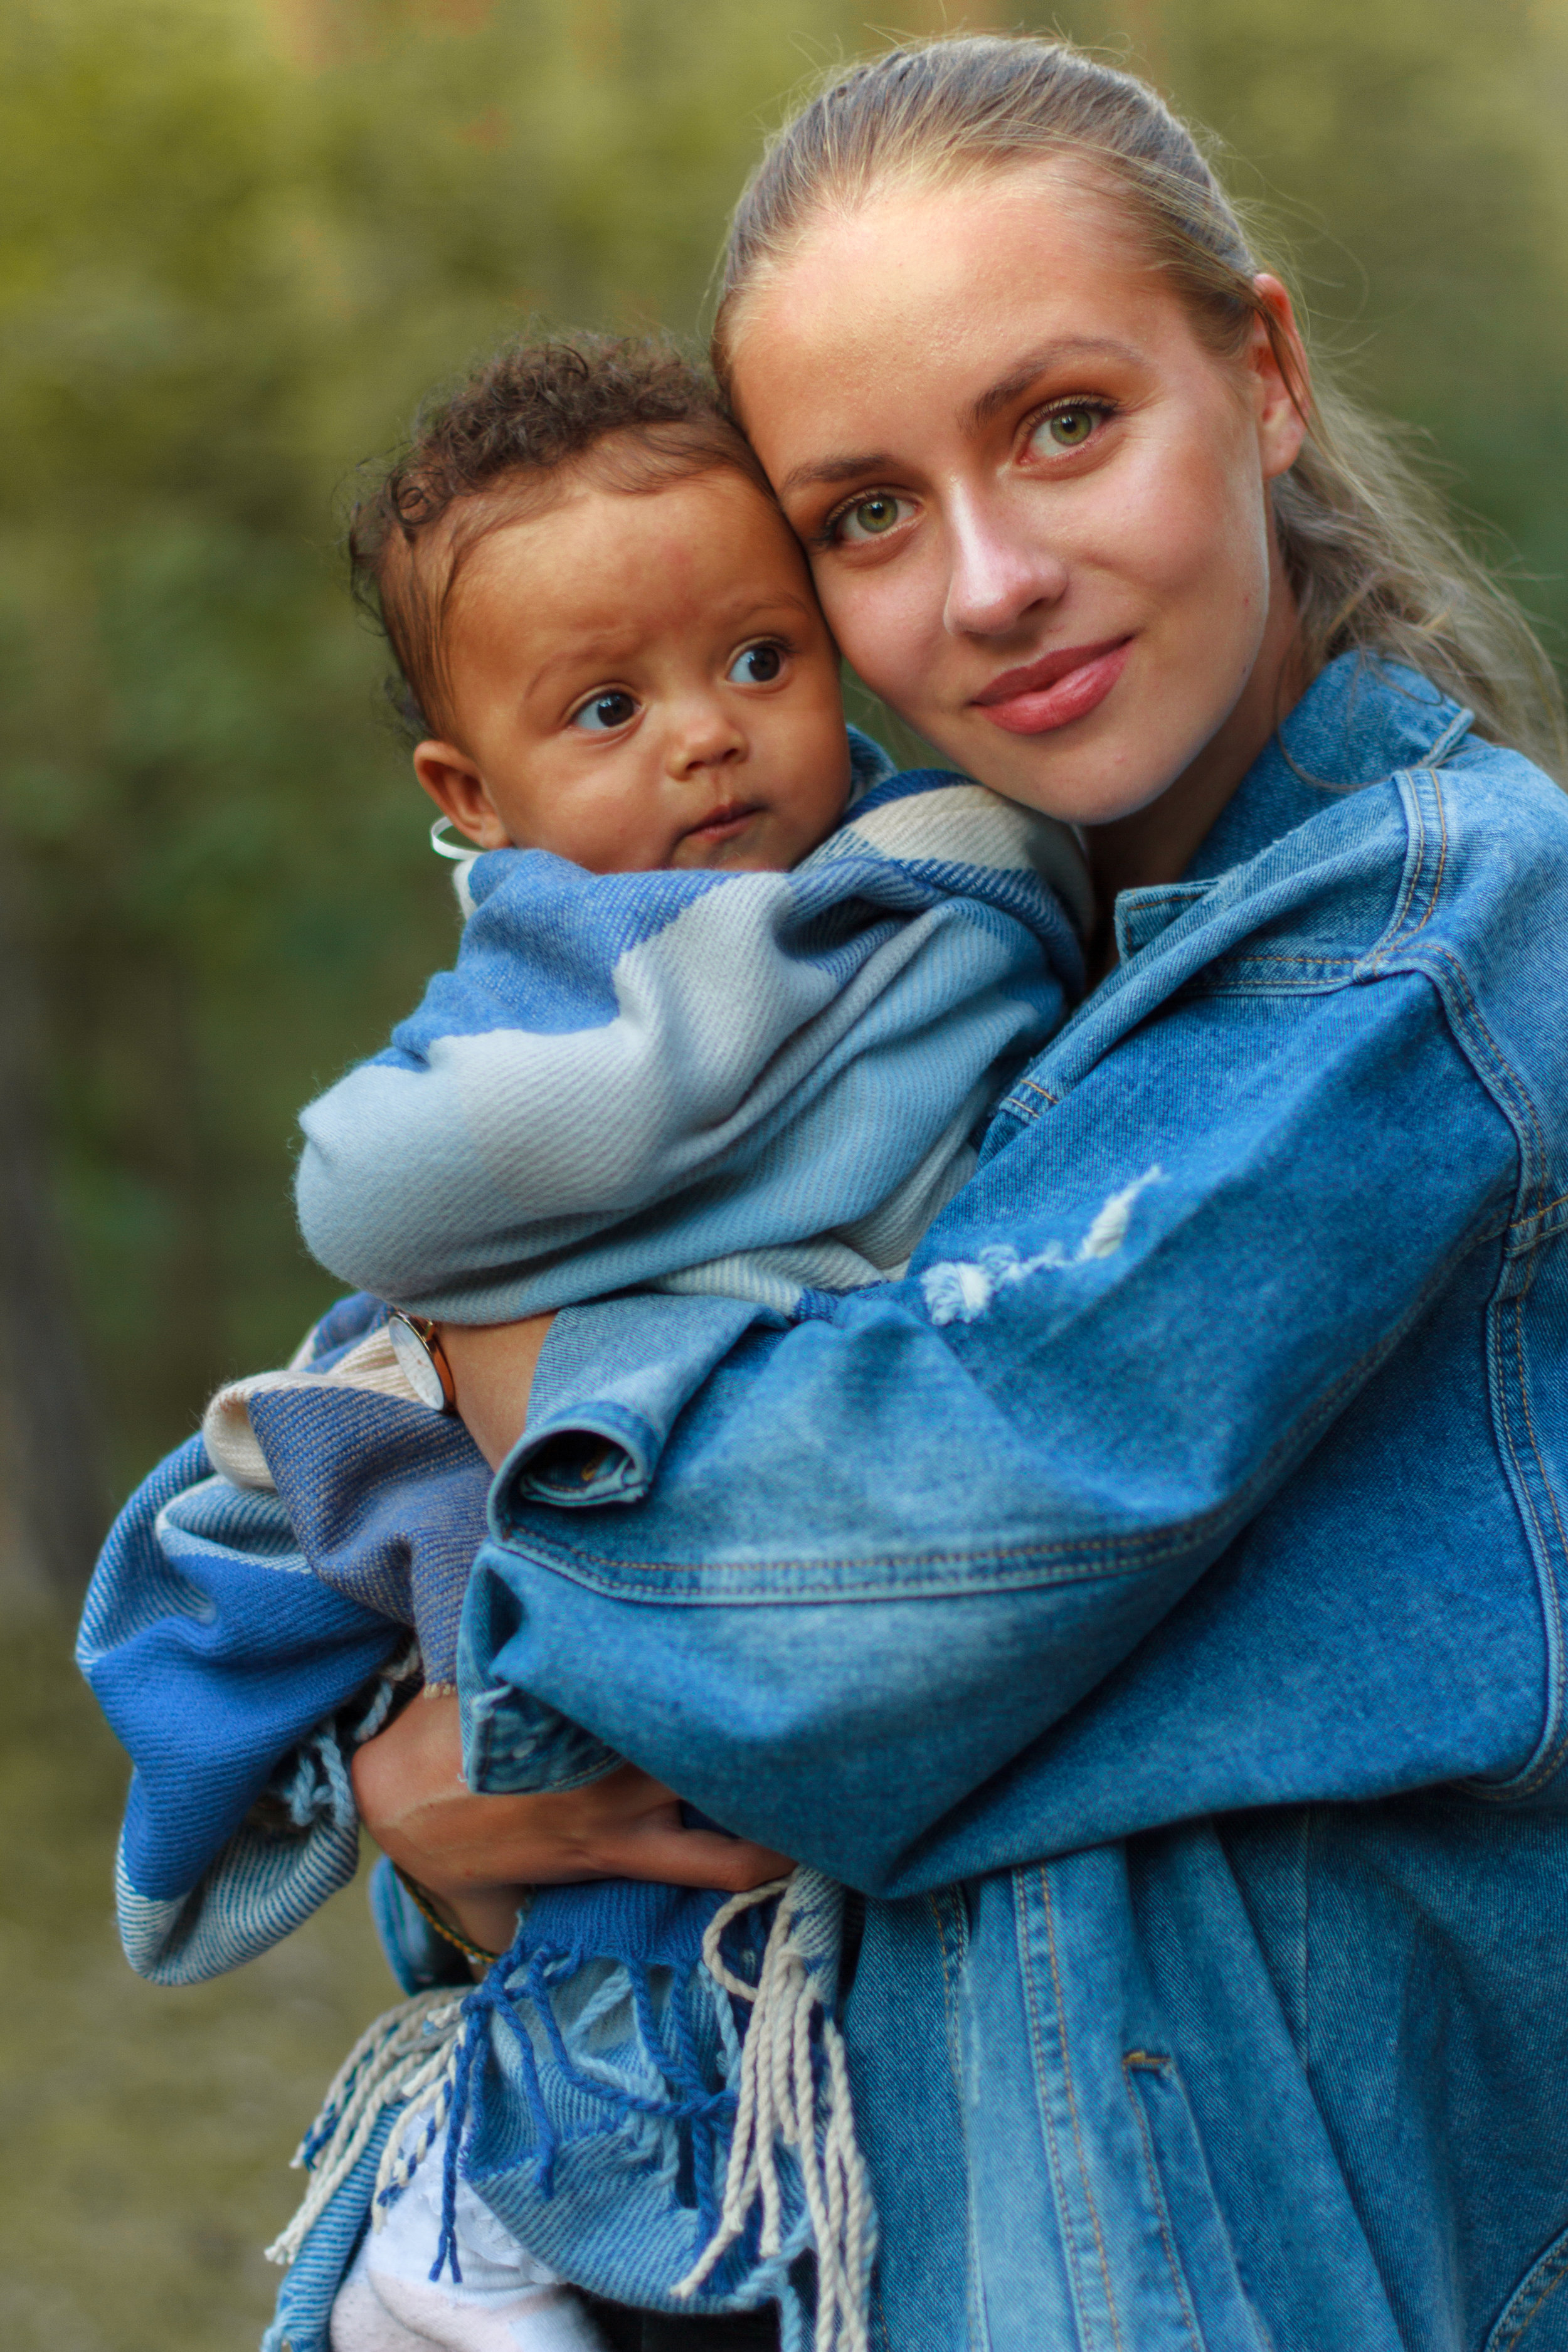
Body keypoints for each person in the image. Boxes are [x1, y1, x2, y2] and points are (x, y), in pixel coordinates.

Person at [340, 29, 1568, 2352]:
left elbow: (836, 1617)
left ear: (1265, 374)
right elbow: (628, 1767)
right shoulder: (922, 985)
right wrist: (450, 1812)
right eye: (865, 517)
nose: (990, 581)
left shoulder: (1434, 933)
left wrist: (507, 1362)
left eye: (1062, 423)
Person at [78, 329, 1087, 2351]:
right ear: (475, 794)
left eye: (757, 661)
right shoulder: (544, 977)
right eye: (607, 707)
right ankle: (512, 2190)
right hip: (553, 1608)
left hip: (791, 1539)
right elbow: (386, 1204)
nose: (707, 740)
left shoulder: (928, 899)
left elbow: (404, 1192)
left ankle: (583, 2181)